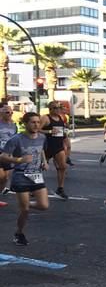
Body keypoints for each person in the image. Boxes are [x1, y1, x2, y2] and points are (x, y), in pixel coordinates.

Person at [0, 112, 50, 246]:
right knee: (25, 210)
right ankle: (19, 233)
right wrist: (19, 159)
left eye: (38, 122)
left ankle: (26, 203)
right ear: (25, 123)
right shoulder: (16, 139)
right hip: (21, 175)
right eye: (33, 122)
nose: (36, 125)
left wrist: (44, 162)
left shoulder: (42, 137)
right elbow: (3, 156)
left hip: (36, 175)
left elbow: (41, 150)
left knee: (44, 206)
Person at [40, 102, 69, 200]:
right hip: (47, 147)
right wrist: (49, 131)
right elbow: (36, 129)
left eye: (59, 108)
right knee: (39, 168)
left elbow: (61, 130)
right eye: (55, 108)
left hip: (58, 146)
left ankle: (60, 189)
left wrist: (65, 139)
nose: (58, 109)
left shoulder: (60, 117)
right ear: (50, 109)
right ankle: (33, 187)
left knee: (63, 167)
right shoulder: (45, 118)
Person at [0, 104, 18, 202]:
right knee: (1, 176)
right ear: (1, 113)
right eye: (7, 112)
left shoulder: (13, 125)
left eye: (11, 112)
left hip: (8, 153)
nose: (10, 114)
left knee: (5, 178)